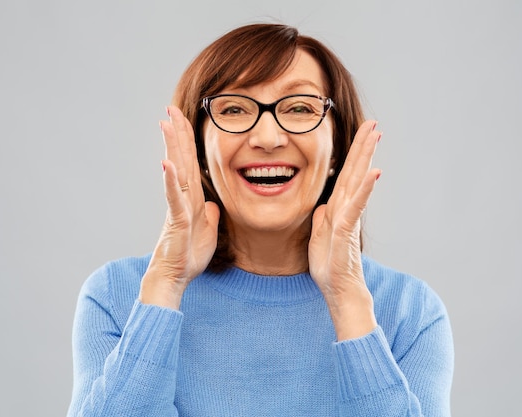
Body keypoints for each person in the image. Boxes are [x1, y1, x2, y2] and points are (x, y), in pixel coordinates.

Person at [67, 23, 454, 417]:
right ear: (199, 148)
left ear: (337, 146)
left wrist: (346, 298)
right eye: (234, 109)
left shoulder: (411, 313)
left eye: (300, 108)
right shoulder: (117, 296)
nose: (267, 137)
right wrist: (166, 283)